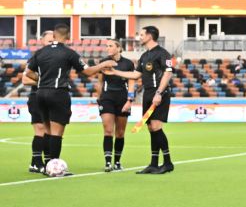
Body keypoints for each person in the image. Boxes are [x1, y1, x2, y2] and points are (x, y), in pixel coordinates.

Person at [21, 24, 116, 174]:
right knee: (57, 133)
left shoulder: (40, 52)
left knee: (47, 131)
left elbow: (27, 73)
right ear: (68, 36)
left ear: (53, 36)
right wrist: (103, 64)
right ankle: (55, 168)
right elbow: (88, 72)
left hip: (40, 94)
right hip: (58, 94)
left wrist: (42, 80)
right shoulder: (68, 53)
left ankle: (46, 166)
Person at [110, 26, 175, 173]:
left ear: (150, 36)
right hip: (148, 94)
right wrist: (114, 72)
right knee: (151, 128)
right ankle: (153, 163)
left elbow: (168, 73)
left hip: (160, 94)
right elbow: (135, 75)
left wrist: (159, 92)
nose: (139, 37)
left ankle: (167, 162)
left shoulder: (163, 53)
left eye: (141, 34)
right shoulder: (145, 56)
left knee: (157, 127)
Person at [96, 39, 136, 171]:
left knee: (120, 133)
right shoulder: (103, 62)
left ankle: (117, 162)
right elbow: (100, 82)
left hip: (122, 99)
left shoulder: (128, 64)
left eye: (110, 46)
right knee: (108, 130)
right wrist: (99, 98)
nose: (108, 48)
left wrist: (129, 100)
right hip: (107, 98)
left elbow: (131, 82)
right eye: (106, 46)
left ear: (118, 48)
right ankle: (108, 162)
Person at [25, 28, 54, 173]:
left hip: (51, 98)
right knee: (40, 130)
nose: (52, 43)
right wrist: (44, 80)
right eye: (49, 41)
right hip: (37, 97)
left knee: (49, 131)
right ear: (42, 41)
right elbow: (25, 79)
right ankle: (37, 162)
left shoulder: (58, 58)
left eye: (54, 41)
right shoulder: (37, 57)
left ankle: (43, 162)